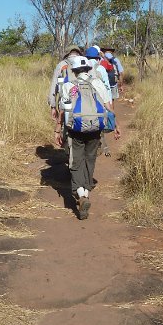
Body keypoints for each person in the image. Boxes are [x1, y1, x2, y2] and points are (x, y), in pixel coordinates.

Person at [54, 56, 120, 220]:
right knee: (90, 159)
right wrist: (116, 126)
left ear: (74, 71)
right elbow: (108, 107)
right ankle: (87, 192)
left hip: (76, 129)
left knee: (76, 161)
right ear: (89, 69)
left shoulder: (70, 86)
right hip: (95, 128)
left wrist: (58, 128)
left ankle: (81, 194)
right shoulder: (97, 83)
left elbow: (64, 109)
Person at [84, 45, 113, 157]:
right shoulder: (101, 68)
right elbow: (106, 86)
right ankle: (101, 148)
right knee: (99, 127)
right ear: (97, 58)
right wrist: (109, 104)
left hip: (86, 103)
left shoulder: (82, 68)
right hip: (100, 102)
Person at [47, 44, 82, 121]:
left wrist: (53, 106)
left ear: (67, 53)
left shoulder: (61, 65)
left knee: (65, 126)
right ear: (78, 53)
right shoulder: (85, 63)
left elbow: (54, 86)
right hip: (83, 104)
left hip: (65, 104)